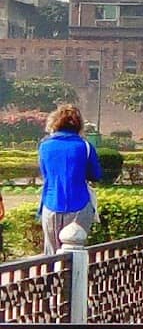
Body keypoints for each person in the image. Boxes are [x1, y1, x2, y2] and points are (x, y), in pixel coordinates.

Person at [38, 105, 102, 256]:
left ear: (54, 123)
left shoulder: (44, 146)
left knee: (51, 255)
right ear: (79, 124)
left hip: (51, 204)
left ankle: (51, 279)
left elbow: (45, 174)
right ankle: (75, 279)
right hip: (79, 204)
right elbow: (96, 174)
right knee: (75, 252)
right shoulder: (85, 146)